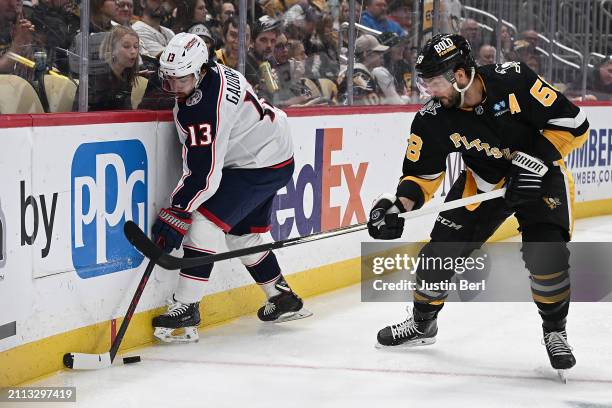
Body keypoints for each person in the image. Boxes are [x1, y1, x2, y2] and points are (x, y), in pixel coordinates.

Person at [367, 34, 588, 377]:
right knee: (436, 257)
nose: (430, 92)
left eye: (435, 82)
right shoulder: (432, 117)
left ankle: (555, 332)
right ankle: (422, 324)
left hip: (538, 176)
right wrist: (398, 204)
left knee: (548, 255)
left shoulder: (514, 79)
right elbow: (421, 174)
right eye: (425, 84)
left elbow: (573, 123)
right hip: (481, 183)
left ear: (460, 74)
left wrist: (531, 164)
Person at [151, 32, 310, 343]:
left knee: (203, 221)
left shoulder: (204, 108)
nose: (173, 88)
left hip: (259, 163)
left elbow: (205, 176)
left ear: (199, 72)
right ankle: (282, 298)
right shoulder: (214, 73)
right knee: (242, 233)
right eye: (168, 79)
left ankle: (186, 305)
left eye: (181, 80)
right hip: (272, 152)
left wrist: (177, 210)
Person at [74, 25, 140, 110]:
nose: (133, 51)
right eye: (126, 46)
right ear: (111, 49)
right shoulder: (97, 78)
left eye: (136, 46)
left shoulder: (128, 76)